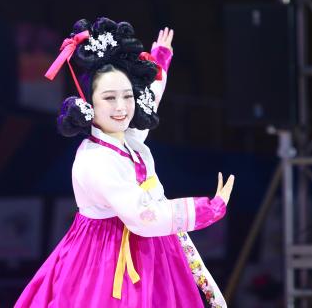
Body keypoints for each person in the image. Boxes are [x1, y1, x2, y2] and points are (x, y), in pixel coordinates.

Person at [15, 17, 234, 307]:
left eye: (127, 96)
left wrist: (160, 62)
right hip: (103, 256)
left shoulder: (126, 138)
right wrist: (208, 209)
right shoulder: (96, 160)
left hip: (152, 247)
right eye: (109, 98)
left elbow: (149, 100)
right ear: (89, 103)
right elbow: (142, 216)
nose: (121, 107)